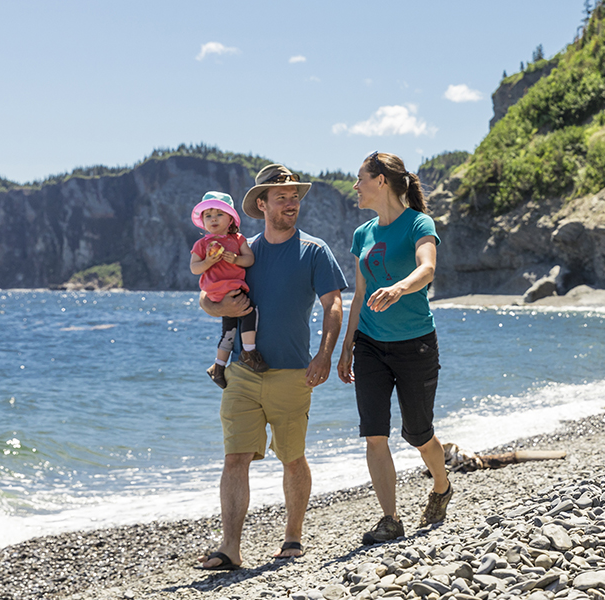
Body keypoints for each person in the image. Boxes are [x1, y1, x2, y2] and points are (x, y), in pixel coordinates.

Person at [197, 164, 346, 570]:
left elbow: (332, 304)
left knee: (292, 458)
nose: (291, 202)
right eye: (281, 196)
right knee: (234, 458)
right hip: (243, 372)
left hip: (292, 372)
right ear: (261, 204)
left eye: (294, 196)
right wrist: (215, 306)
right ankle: (230, 547)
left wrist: (324, 354)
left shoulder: (314, 250)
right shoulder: (243, 250)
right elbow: (210, 293)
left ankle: (293, 537)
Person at [336, 151, 452, 545]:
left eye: (361, 178)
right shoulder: (362, 234)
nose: (356, 186)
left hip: (415, 344)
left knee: (418, 434)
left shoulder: (418, 223)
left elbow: (427, 268)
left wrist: (400, 287)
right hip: (369, 343)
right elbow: (358, 295)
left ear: (381, 180)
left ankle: (441, 485)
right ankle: (390, 519)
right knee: (374, 432)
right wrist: (347, 346)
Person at [189, 192, 267, 390]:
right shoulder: (202, 244)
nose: (213, 219)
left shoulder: (237, 239)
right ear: (203, 222)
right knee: (250, 311)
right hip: (223, 291)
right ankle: (249, 352)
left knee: (229, 330)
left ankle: (219, 365)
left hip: (225, 293)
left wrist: (235, 259)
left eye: (219, 214)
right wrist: (208, 261)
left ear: (231, 219)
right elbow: (194, 268)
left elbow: (248, 259)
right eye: (208, 216)